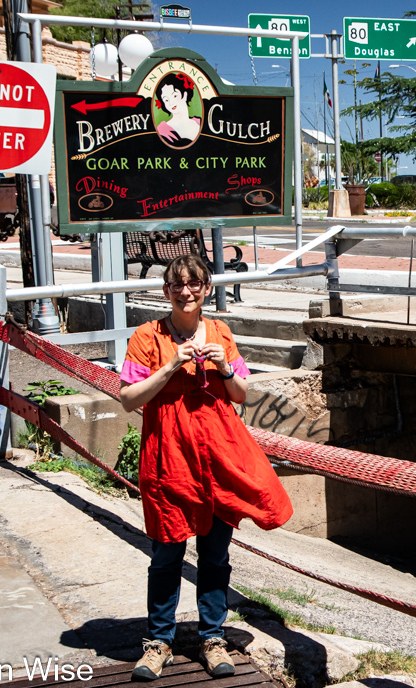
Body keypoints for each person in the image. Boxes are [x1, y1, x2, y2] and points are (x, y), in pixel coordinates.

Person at [120, 254, 293, 681]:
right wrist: (174, 363)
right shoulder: (147, 336)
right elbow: (128, 397)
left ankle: (212, 637)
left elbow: (240, 394)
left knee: (215, 554)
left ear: (206, 288)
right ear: (166, 291)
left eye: (194, 283)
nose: (186, 291)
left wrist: (223, 364)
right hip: (170, 457)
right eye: (177, 285)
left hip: (219, 456)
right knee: (166, 553)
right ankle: (158, 642)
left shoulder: (220, 332)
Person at [154, 73, 202, 148]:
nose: (171, 103)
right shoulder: (162, 130)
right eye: (166, 100)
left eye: (175, 96)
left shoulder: (200, 123)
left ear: (185, 95)